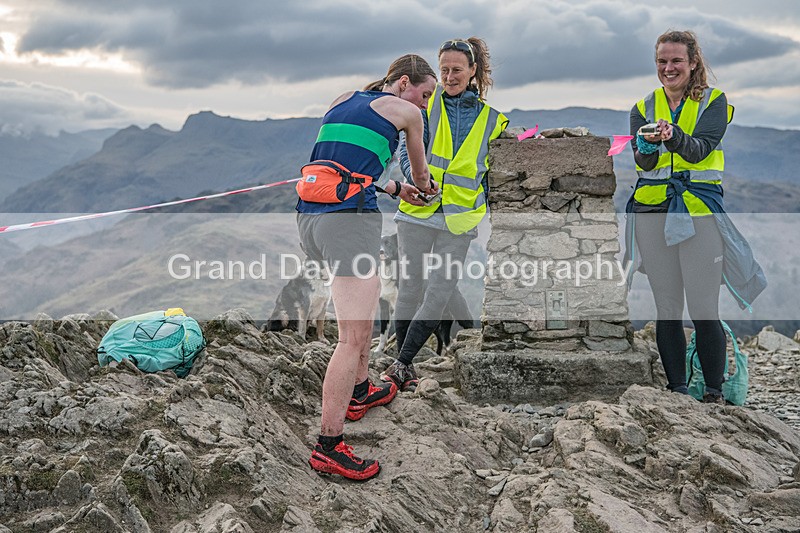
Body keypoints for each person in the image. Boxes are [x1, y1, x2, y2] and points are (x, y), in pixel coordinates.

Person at [297, 54, 437, 480]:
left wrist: (394, 188)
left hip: (310, 218)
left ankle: (360, 391)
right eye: (425, 94)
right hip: (349, 223)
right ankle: (329, 445)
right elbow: (423, 175)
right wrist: (424, 189)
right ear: (403, 83)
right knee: (353, 337)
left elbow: (343, 168)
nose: (426, 104)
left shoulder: (342, 99)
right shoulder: (408, 113)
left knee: (362, 305)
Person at [625, 30, 765, 403]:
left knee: (703, 307)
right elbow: (644, 164)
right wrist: (644, 145)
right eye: (662, 61)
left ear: (692, 62)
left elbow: (700, 149)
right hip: (652, 211)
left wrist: (673, 136)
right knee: (667, 307)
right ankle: (677, 391)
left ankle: (714, 394)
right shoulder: (643, 106)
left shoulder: (713, 101)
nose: (668, 68)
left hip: (698, 211)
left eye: (676, 61)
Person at [380, 37, 508, 391]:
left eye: (457, 70)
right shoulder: (425, 103)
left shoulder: (493, 121)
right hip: (417, 211)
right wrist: (416, 179)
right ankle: (402, 364)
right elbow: (406, 152)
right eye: (444, 70)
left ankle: (401, 364)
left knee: (439, 293)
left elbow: (492, 171)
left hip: (460, 218)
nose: (449, 77)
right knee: (410, 289)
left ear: (473, 71)